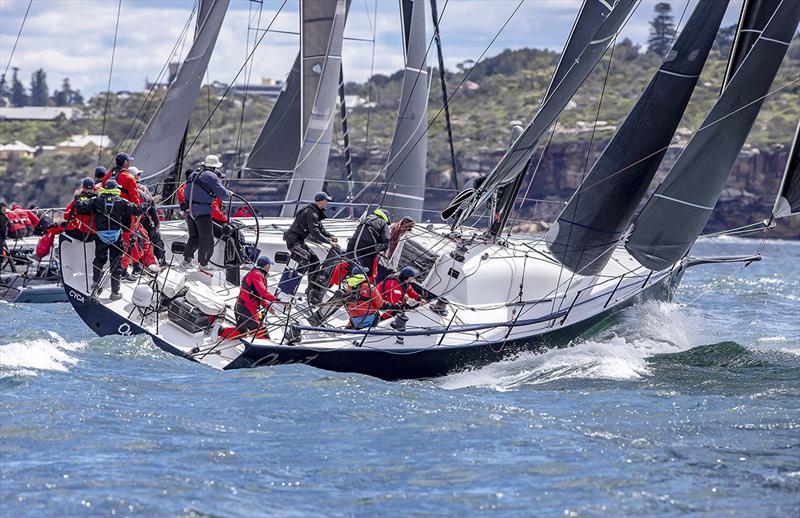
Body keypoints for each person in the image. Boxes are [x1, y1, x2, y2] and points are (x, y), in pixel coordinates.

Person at [78, 179, 143, 300]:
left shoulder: (97, 200)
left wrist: (81, 196)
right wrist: (150, 202)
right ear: (115, 189)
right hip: (116, 236)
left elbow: (81, 207)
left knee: (99, 260)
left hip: (101, 236)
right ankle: (114, 293)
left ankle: (96, 284)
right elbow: (137, 210)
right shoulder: (121, 201)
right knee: (116, 265)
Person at [182, 155, 232, 268]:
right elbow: (223, 195)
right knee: (206, 238)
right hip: (202, 212)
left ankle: (187, 260)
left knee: (194, 236)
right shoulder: (211, 176)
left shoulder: (193, 174)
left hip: (190, 211)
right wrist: (229, 193)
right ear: (214, 167)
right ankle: (203, 264)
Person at [102, 153, 142, 274]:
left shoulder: (107, 177)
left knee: (121, 240)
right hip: (126, 215)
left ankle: (134, 265)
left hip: (109, 214)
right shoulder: (129, 178)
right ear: (125, 163)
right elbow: (135, 199)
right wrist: (138, 215)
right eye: (128, 161)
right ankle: (124, 269)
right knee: (127, 240)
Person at [284, 191, 338, 276]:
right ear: (321, 201)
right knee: (308, 260)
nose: (327, 203)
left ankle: (311, 288)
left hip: (299, 241)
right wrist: (329, 242)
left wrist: (330, 236)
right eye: (326, 200)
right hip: (294, 241)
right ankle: (293, 281)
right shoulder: (311, 213)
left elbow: (321, 229)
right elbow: (315, 232)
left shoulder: (315, 211)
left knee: (314, 261)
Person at [234, 256, 278, 336]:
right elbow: (263, 293)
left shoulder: (255, 273)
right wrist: (277, 300)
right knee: (262, 333)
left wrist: (267, 307)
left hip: (240, 306)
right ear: (266, 266)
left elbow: (258, 296)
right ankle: (264, 347)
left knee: (241, 333)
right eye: (269, 266)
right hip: (247, 309)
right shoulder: (257, 274)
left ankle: (221, 331)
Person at [346, 207, 391, 275]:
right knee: (367, 271)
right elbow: (386, 241)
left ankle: (348, 280)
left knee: (351, 265)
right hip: (367, 247)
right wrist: (379, 249)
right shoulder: (383, 223)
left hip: (352, 244)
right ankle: (362, 284)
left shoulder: (366, 218)